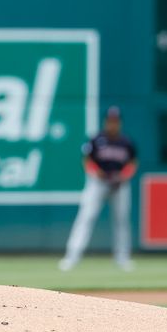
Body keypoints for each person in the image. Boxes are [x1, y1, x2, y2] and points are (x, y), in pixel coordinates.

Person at [59, 106, 138, 272]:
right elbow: (87, 160)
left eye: (115, 121)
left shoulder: (126, 142)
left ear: (120, 123)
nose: (112, 124)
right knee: (86, 217)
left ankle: (123, 258)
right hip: (97, 183)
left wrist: (123, 176)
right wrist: (98, 173)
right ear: (105, 122)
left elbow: (132, 162)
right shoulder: (96, 140)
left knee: (121, 220)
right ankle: (72, 256)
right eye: (110, 121)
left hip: (119, 184)